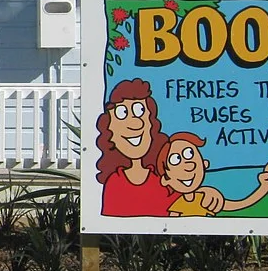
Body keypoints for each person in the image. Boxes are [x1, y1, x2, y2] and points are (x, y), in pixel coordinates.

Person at [95, 78, 223, 217]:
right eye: (122, 113)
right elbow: (110, 219)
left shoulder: (163, 178)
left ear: (151, 124)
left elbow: (187, 195)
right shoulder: (114, 183)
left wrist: (207, 193)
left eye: (140, 111)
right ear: (109, 130)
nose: (134, 123)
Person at [159, 132, 268, 216]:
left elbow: (240, 204)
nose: (188, 165)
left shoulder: (206, 198)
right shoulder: (177, 207)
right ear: (165, 178)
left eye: (189, 154)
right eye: (175, 159)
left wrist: (264, 188)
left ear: (204, 164)